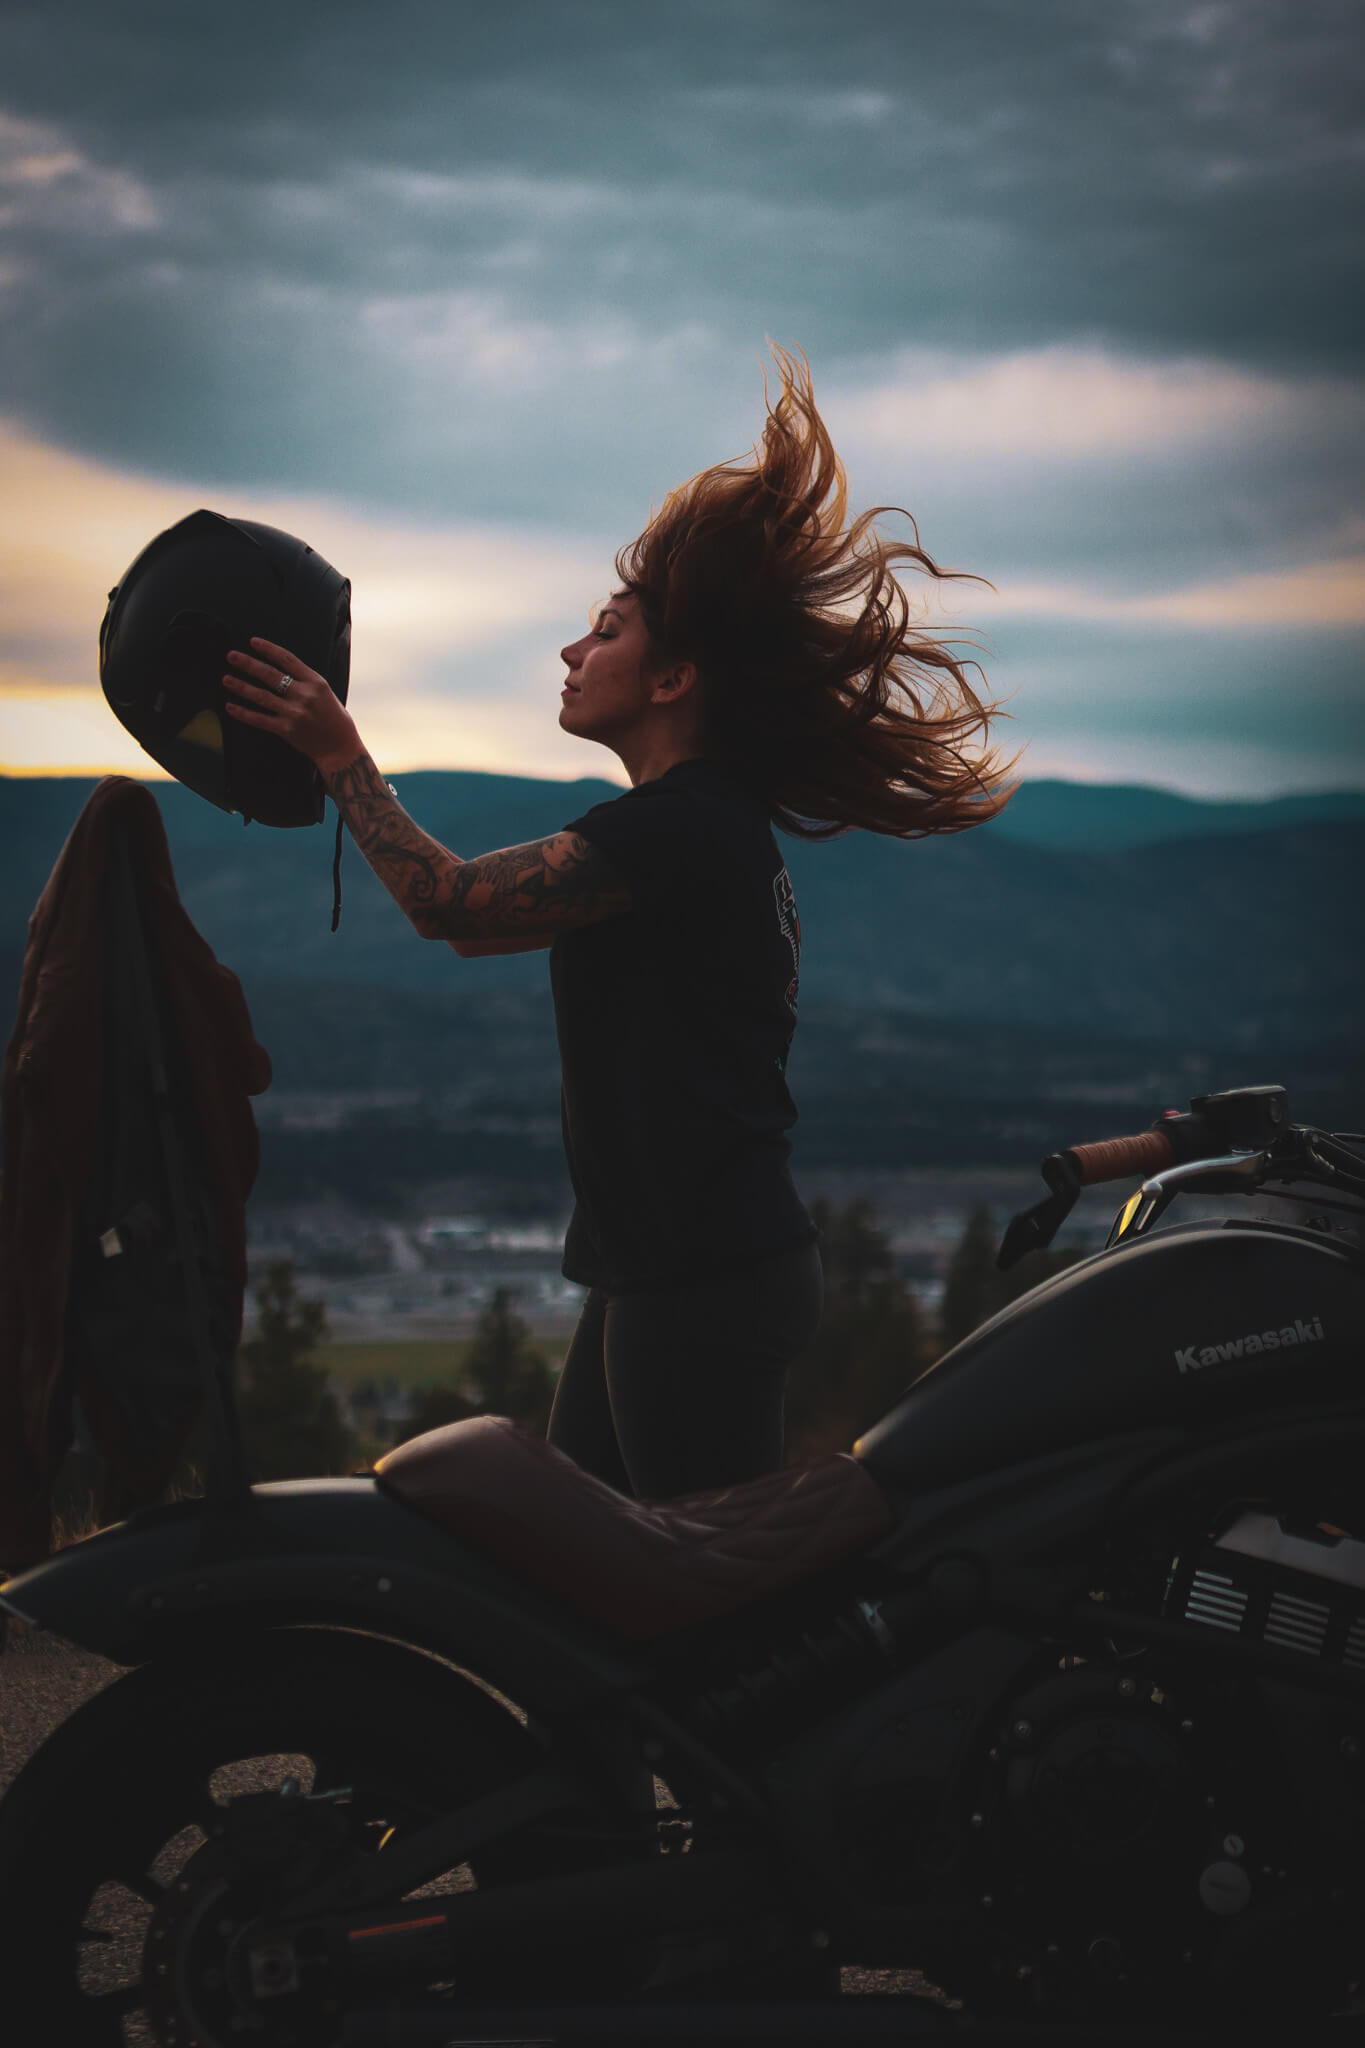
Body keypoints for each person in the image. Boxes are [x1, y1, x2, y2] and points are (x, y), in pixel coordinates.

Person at [220, 348, 1012, 1498]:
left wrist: (343, 758)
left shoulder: (686, 830)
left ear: (672, 677)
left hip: (701, 1277)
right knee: (588, 1576)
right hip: (671, 1268)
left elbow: (454, 904)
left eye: (606, 628)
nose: (572, 648)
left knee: (690, 1603)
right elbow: (483, 930)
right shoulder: (692, 831)